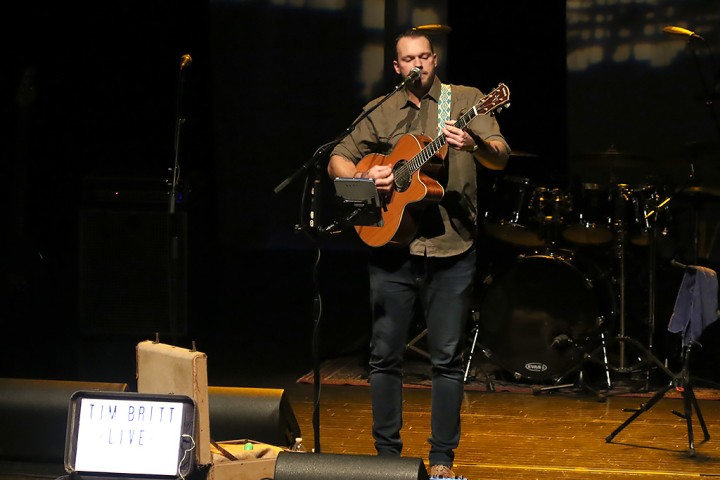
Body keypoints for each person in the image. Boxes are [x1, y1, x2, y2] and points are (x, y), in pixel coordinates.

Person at [327, 29, 510, 478]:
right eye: (408, 59)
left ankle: (443, 460)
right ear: (397, 67)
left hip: (452, 247)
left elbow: (501, 155)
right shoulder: (382, 108)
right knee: (383, 357)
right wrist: (366, 181)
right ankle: (387, 459)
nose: (417, 65)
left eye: (424, 56)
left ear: (435, 58)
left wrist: (476, 145)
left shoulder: (466, 99)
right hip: (391, 247)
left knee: (445, 360)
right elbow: (338, 157)